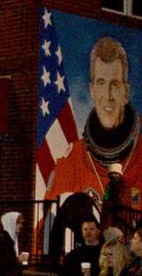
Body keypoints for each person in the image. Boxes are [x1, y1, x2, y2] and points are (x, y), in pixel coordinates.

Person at [45, 36, 142, 204]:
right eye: (101, 83)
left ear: (126, 93)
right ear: (92, 91)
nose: (108, 95)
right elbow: (49, 223)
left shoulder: (139, 156)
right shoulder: (73, 161)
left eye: (115, 84)